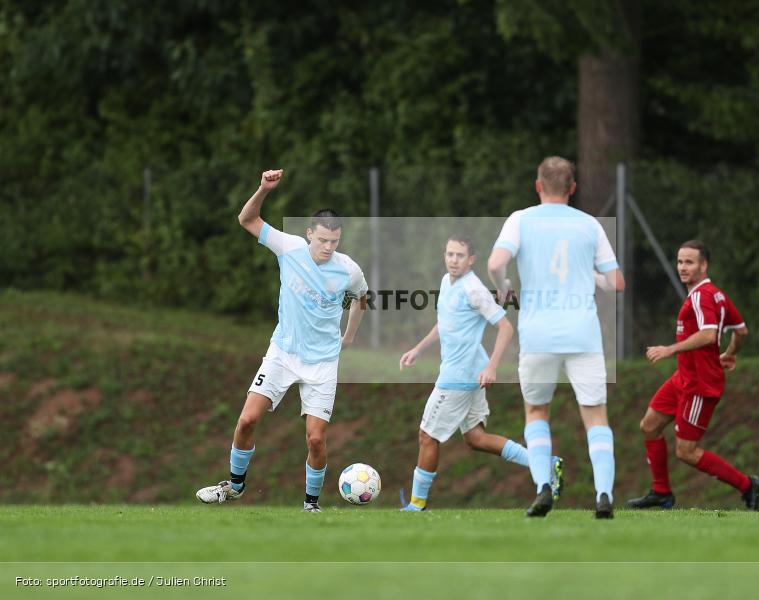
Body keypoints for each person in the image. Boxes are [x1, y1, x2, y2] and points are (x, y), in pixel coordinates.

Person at [196, 169, 367, 512]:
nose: (327, 247)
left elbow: (362, 298)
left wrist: (348, 337)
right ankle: (235, 486)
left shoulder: (349, 269)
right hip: (283, 353)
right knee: (247, 420)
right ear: (309, 235)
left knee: (316, 439)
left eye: (333, 242)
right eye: (322, 241)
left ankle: (311, 505)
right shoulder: (289, 247)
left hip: (322, 363)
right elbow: (247, 219)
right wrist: (262, 189)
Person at [487, 156, 625, 519]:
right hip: (583, 334)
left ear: (537, 186)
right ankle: (604, 495)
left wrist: (503, 288)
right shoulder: (590, 224)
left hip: (538, 334)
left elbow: (494, 263)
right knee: (595, 417)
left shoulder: (520, 219)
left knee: (536, 411)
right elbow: (617, 283)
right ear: (573, 189)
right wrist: (589, 277)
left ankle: (543, 487)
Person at [397, 235, 562, 511]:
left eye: (460, 255)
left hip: (459, 376)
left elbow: (506, 328)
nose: (453, 260)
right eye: (450, 254)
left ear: (471, 260)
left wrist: (492, 366)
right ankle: (546, 463)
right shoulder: (446, 282)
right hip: (468, 373)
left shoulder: (474, 289)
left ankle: (417, 504)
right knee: (476, 438)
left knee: (427, 435)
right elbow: (444, 324)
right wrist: (418, 348)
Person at [628, 240, 759, 511]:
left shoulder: (702, 296)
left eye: (689, 262)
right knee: (650, 425)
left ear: (704, 265)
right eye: (679, 261)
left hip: (700, 384)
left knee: (686, 451)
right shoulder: (717, 295)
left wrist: (670, 349)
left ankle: (748, 485)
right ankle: (661, 492)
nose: (682, 267)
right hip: (684, 377)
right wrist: (730, 353)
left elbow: (709, 334)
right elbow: (741, 330)